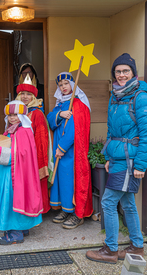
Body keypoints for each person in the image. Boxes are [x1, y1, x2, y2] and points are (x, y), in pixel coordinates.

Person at [86, 53, 147, 264]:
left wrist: (141, 165)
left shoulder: (141, 97)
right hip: (117, 159)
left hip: (130, 160)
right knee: (127, 203)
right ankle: (136, 245)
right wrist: (107, 156)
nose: (122, 74)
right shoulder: (115, 96)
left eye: (126, 71)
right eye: (118, 71)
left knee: (108, 202)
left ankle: (110, 250)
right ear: (114, 74)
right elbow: (111, 130)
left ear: (133, 73)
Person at [0, 100, 43, 245]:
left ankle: (15, 233)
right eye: (10, 115)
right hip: (10, 174)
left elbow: (20, 155)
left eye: (15, 115)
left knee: (11, 199)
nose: (12, 118)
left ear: (22, 115)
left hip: (14, 177)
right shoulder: (12, 130)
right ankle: (22, 228)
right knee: (14, 199)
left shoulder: (23, 131)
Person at [47, 72, 93, 229]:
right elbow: (50, 120)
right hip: (60, 149)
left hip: (72, 151)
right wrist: (60, 114)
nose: (63, 87)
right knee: (62, 180)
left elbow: (75, 129)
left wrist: (62, 147)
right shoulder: (60, 104)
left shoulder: (78, 104)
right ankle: (66, 209)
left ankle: (76, 214)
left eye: (66, 83)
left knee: (70, 180)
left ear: (72, 85)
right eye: (60, 85)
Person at [15, 74, 53, 214]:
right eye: (22, 94)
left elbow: (42, 139)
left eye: (28, 94)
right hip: (18, 154)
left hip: (32, 155)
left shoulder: (36, 113)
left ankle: (37, 210)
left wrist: (38, 159)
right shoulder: (16, 112)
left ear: (33, 97)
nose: (25, 97)